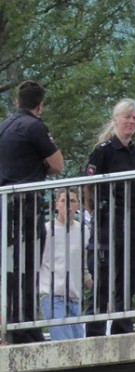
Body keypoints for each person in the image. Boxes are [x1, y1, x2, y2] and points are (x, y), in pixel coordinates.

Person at [0, 80, 64, 344]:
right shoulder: (34, 126)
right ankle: (26, 325)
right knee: (28, 267)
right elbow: (58, 164)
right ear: (40, 105)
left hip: (5, 208)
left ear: (18, 101)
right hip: (25, 208)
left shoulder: (3, 126)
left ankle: (15, 322)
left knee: (11, 267)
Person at [84, 99, 135, 336]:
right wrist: (95, 213)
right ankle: (95, 332)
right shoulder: (103, 151)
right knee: (102, 279)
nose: (131, 121)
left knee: (129, 279)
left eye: (134, 118)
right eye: (127, 117)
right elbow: (87, 186)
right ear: (116, 119)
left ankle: (123, 327)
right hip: (108, 222)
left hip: (132, 221)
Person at [39, 187, 92, 340]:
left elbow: (85, 269)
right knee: (65, 345)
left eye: (72, 201)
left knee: (78, 349)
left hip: (74, 300)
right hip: (52, 297)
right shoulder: (46, 231)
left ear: (78, 206)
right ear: (56, 205)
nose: (68, 205)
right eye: (63, 201)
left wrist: (101, 296)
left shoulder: (84, 231)